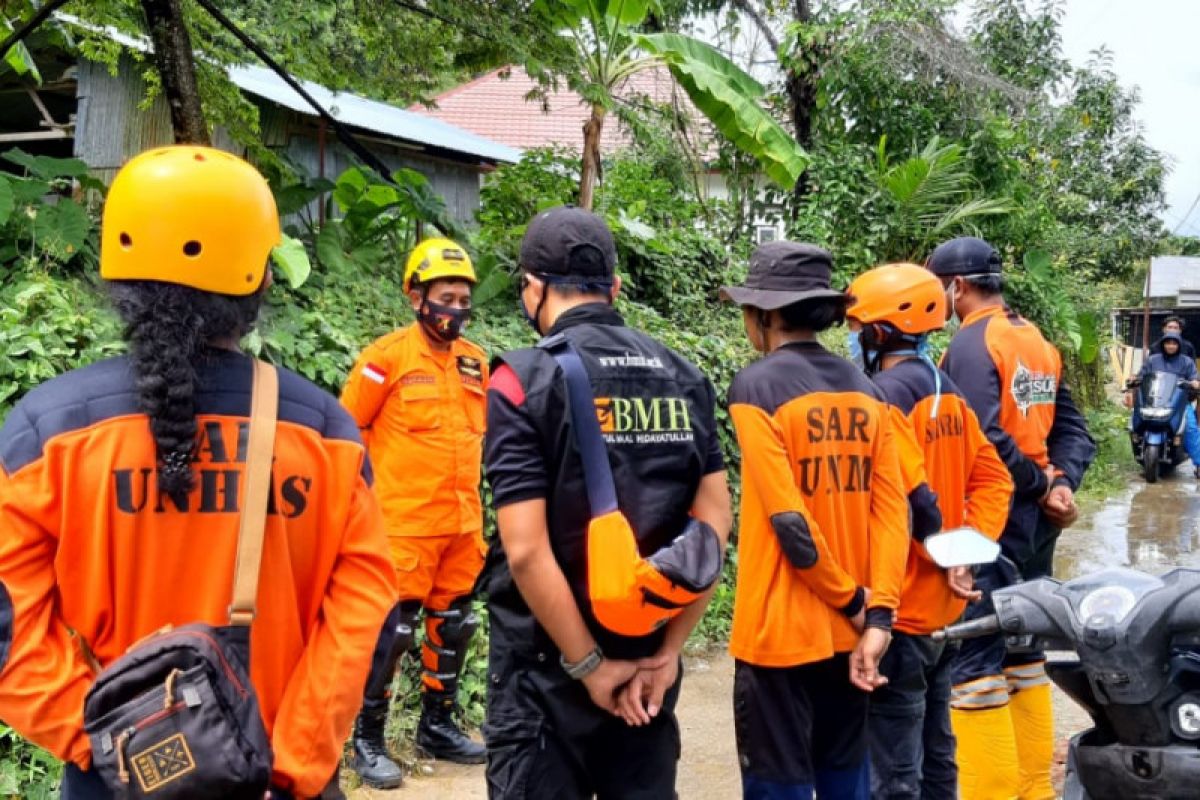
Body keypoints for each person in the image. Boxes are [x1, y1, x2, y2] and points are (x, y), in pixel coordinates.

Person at [0, 146, 397, 799]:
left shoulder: (48, 436)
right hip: (276, 772)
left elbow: (7, 634)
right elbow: (364, 618)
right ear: (261, 282)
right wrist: (293, 761)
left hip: (119, 777)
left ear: (118, 280)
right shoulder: (325, 435)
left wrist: (117, 745)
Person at [482, 205, 732, 799]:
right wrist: (666, 655)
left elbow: (524, 551)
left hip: (545, 677)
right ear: (615, 288)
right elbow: (715, 528)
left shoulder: (521, 381)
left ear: (533, 288)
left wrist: (590, 665)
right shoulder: (684, 376)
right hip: (649, 670)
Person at [722, 242, 910, 800]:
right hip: (853, 639)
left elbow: (790, 523)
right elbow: (892, 513)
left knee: (776, 787)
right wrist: (877, 617)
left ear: (764, 316)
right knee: (844, 780)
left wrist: (852, 599)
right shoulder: (868, 392)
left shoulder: (755, 388)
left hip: (778, 637)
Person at [927, 236, 1096, 800]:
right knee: (1025, 651)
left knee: (976, 660)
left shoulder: (973, 346)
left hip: (994, 518)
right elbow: (1074, 427)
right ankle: (1032, 790)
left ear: (958, 287)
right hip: (1039, 524)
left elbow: (983, 438)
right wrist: (1061, 481)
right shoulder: (1035, 341)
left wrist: (1041, 482)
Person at [846, 263, 1014, 800]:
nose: (853, 338)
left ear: (878, 332)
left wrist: (943, 553)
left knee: (894, 770)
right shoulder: (950, 392)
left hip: (902, 611)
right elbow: (995, 480)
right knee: (938, 752)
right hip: (945, 610)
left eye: (857, 329)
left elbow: (915, 502)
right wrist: (963, 554)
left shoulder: (882, 397)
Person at [340, 237, 489, 787]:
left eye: (462, 297)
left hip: (460, 524)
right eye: (444, 295)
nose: (454, 307)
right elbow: (346, 429)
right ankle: (367, 739)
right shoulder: (385, 359)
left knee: (454, 627)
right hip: (401, 525)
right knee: (392, 632)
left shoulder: (476, 362)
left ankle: (437, 726)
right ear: (416, 297)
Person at [1126, 330, 1200, 475]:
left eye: (1174, 343)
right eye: (1168, 343)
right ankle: (1140, 447)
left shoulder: (1186, 361)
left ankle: (1199, 464)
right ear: (1163, 344)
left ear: (1178, 345)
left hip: (1179, 403)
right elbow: (1142, 375)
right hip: (1153, 400)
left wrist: (1195, 383)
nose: (1171, 346)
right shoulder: (1153, 360)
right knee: (1134, 420)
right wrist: (1134, 379)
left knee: (1191, 428)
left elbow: (1194, 377)